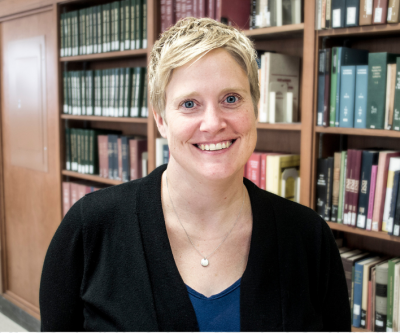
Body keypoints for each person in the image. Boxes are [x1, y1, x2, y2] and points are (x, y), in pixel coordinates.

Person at [39, 17, 351, 331]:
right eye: (189, 104)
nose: (213, 123)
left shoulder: (308, 236)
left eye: (231, 99)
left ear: (256, 106)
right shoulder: (90, 229)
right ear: (161, 119)